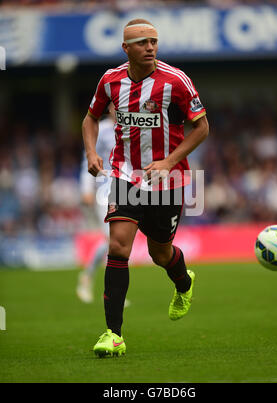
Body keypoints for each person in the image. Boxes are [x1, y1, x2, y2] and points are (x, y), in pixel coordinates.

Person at [82, 18, 209, 357]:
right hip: (125, 176)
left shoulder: (176, 80)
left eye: (153, 40)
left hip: (168, 180)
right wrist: (92, 152)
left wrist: (168, 161)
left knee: (160, 253)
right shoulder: (110, 81)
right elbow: (90, 117)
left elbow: (202, 127)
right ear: (126, 48)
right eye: (142, 42)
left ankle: (184, 282)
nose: (150, 47)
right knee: (119, 248)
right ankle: (114, 334)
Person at [76, 104, 114, 303]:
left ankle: (93, 280)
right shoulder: (102, 129)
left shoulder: (131, 128)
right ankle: (95, 282)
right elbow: (88, 160)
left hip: (128, 190)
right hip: (104, 190)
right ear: (110, 108)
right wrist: (86, 189)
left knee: (117, 242)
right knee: (111, 240)